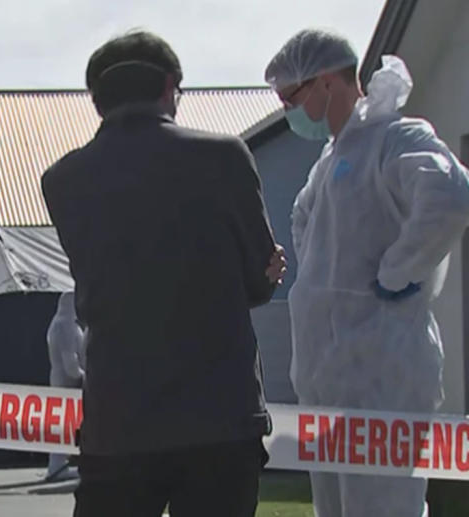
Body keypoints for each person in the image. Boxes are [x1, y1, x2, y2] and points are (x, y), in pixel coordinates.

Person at [42, 30, 285, 517]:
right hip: (218, 415)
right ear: (170, 87)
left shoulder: (63, 179)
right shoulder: (223, 156)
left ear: (97, 100)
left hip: (118, 420)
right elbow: (257, 281)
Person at [265, 29, 469, 517]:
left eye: (292, 97)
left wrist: (399, 273)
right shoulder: (328, 163)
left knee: (384, 508)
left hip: (383, 377)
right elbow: (314, 246)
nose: (291, 111)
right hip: (328, 381)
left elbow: (449, 197)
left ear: (328, 82)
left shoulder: (394, 138)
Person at [46, 291, 85, 481]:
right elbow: (71, 362)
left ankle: (57, 464)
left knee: (62, 423)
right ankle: (57, 466)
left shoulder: (57, 324)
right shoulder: (66, 326)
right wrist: (84, 376)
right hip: (68, 384)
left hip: (59, 381)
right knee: (65, 423)